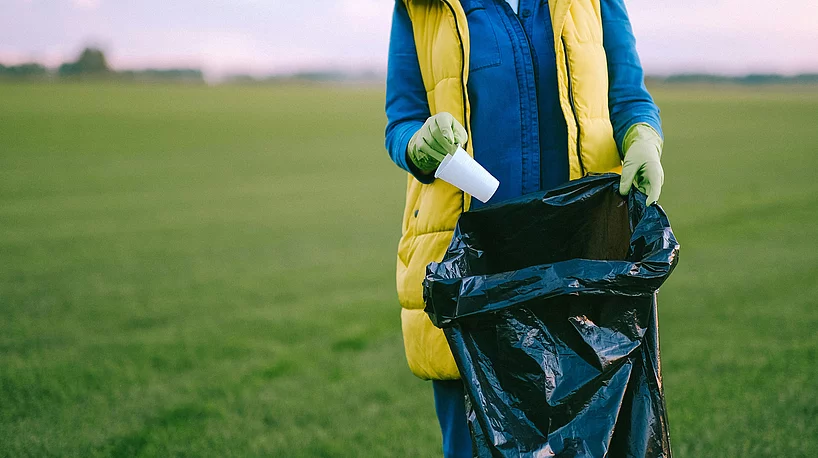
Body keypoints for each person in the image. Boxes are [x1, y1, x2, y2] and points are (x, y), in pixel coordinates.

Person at [384, 0, 664, 456]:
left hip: (580, 262)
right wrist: (418, 144)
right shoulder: (420, 6)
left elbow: (629, 97)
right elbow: (401, 120)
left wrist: (642, 137)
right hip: (473, 272)